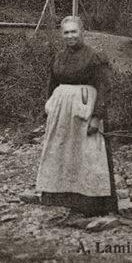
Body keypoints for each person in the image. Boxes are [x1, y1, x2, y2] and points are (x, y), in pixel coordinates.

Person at [35, 15, 118, 217]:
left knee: (88, 155)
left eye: (74, 31)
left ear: (83, 32)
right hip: (62, 114)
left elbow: (104, 88)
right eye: (66, 32)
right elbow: (52, 85)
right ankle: (67, 200)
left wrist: (97, 117)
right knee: (63, 154)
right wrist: (49, 108)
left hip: (84, 110)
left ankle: (92, 204)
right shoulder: (58, 57)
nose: (70, 36)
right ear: (61, 35)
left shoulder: (94, 57)